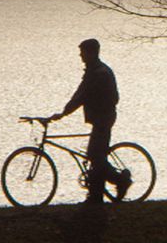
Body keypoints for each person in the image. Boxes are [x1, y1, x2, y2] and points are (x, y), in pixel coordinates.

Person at [49, 38, 132, 204]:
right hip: (100, 118)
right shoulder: (94, 71)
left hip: (104, 118)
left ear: (92, 53)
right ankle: (96, 196)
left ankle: (119, 181)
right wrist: (64, 111)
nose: (80, 56)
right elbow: (80, 93)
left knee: (96, 156)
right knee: (95, 155)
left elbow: (82, 96)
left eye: (83, 52)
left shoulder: (99, 73)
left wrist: (64, 113)